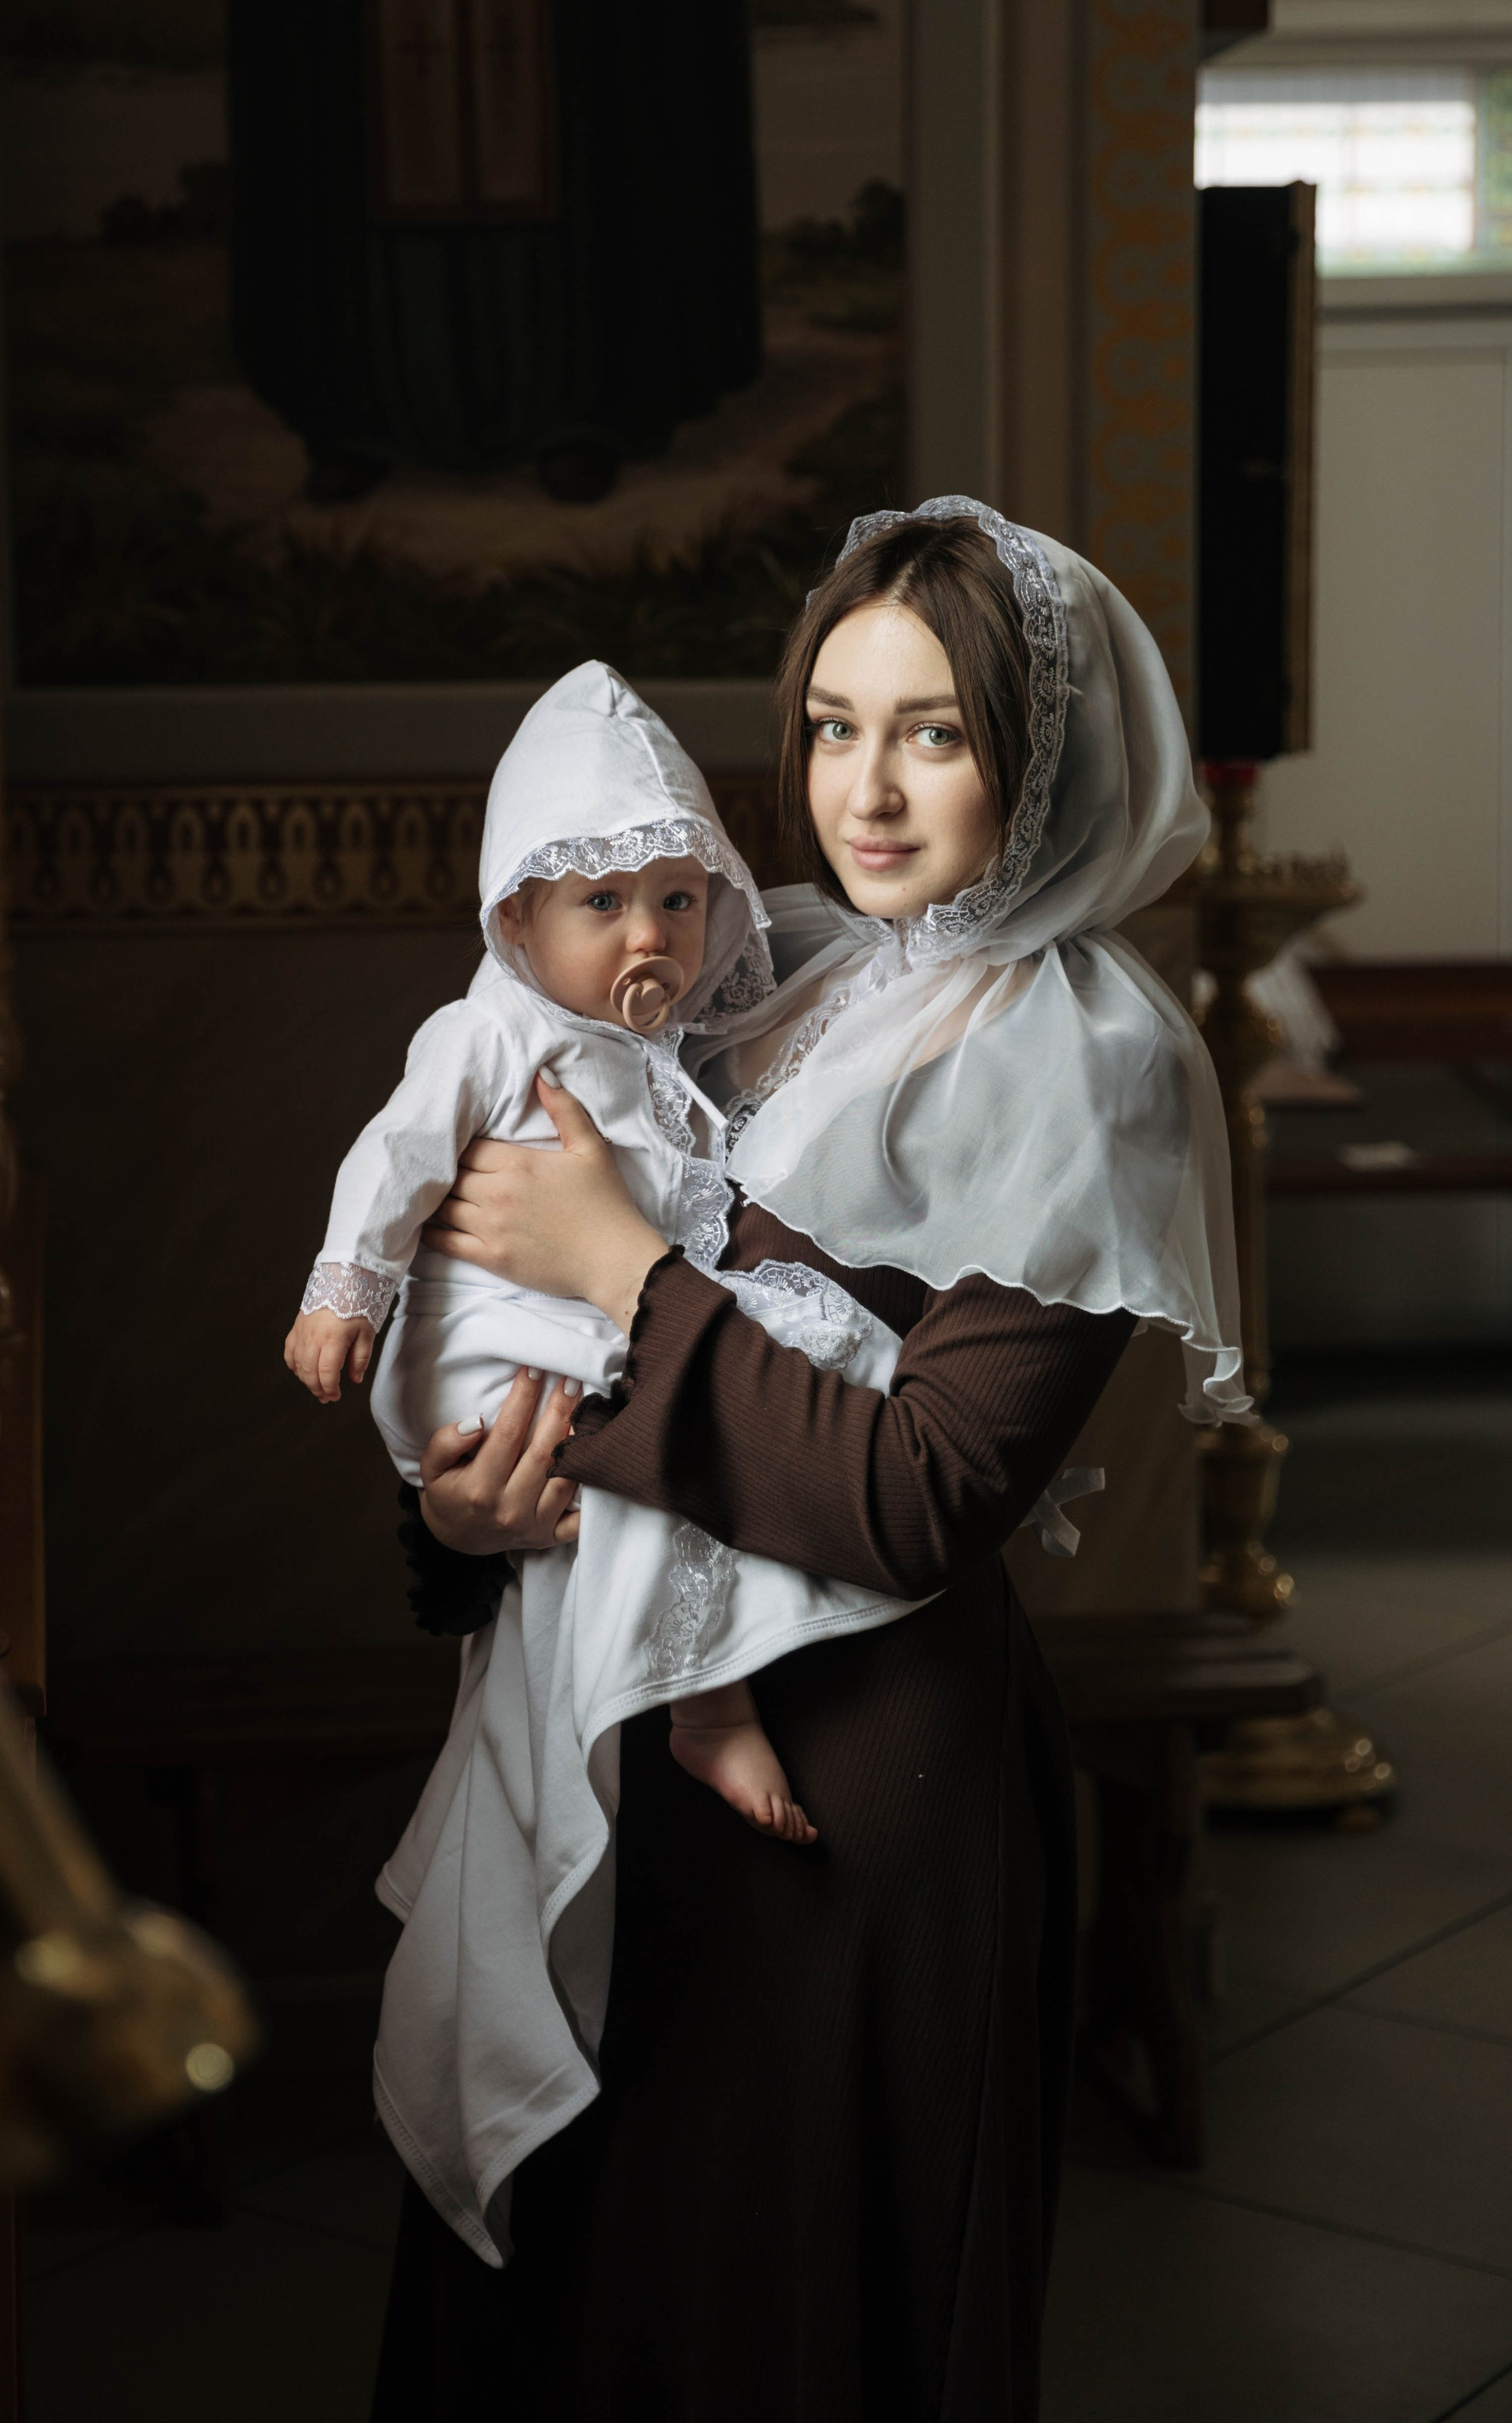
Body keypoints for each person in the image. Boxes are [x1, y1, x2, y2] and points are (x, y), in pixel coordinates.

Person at [371, 499, 1245, 2421]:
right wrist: (456, 1512)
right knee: (570, 2312)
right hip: (624, 1734)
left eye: (931, 729)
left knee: (768, 2322)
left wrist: (612, 1258)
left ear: (1040, 753)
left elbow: (923, 1489)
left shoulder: (1076, 1063)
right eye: (833, 722)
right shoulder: (788, 981)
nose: (864, 785)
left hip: (853, 1810)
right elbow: (529, 1340)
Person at [287, 662, 958, 2263]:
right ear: (516, 920)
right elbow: (389, 1170)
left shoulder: (699, 1038)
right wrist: (343, 1295)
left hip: (616, 1369)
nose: (647, 937)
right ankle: (705, 1710)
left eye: (674, 898)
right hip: (509, 1350)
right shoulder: (489, 1031)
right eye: (604, 901)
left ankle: (702, 1705)